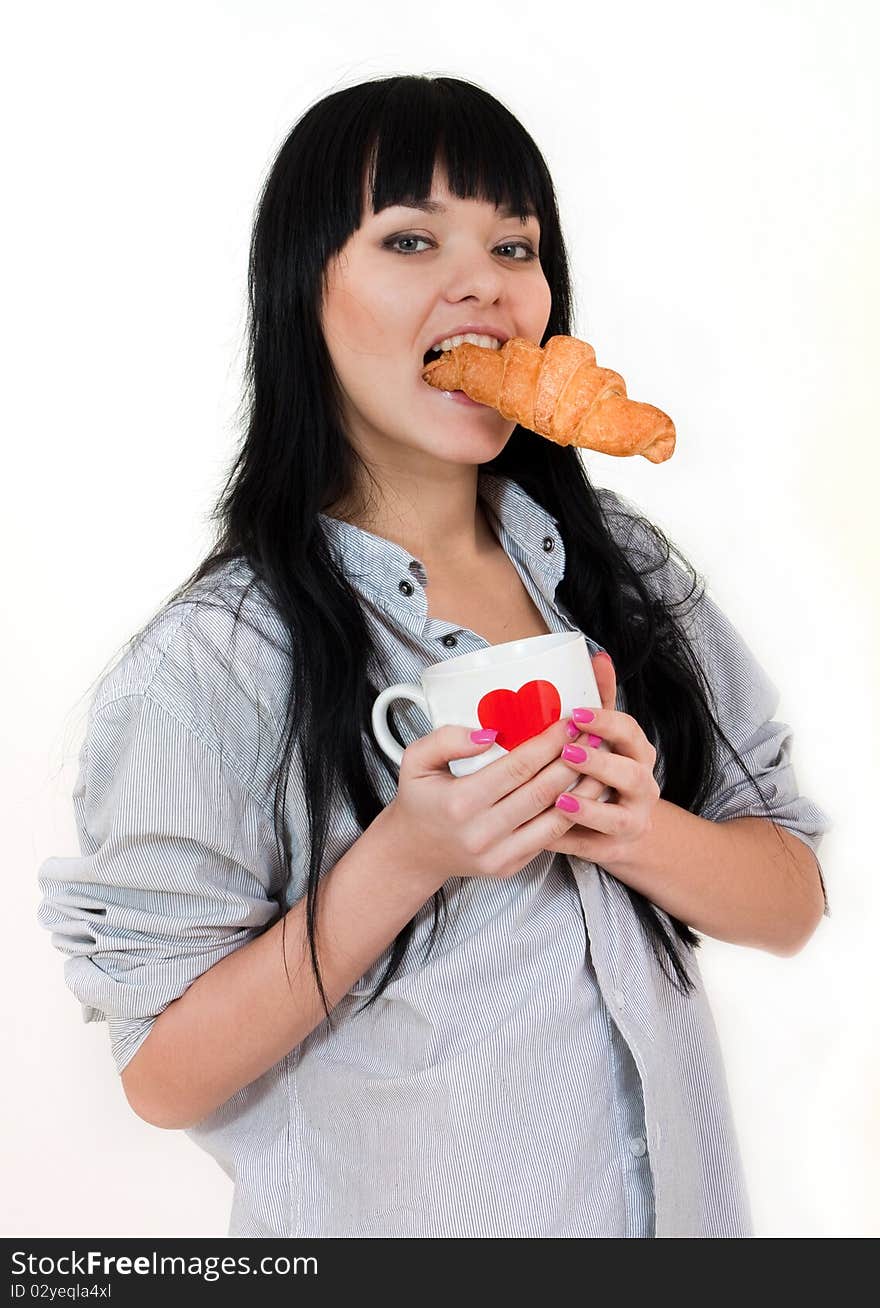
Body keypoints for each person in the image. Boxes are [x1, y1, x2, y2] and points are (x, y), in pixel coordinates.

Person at [37, 73, 832, 1239]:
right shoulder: (215, 662)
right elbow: (162, 1075)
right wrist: (405, 858)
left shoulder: (619, 571)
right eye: (409, 238)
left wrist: (633, 826)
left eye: (515, 244)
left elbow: (790, 900)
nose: (484, 283)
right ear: (302, 293)